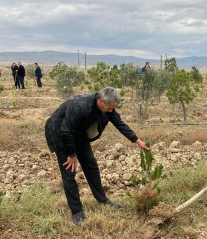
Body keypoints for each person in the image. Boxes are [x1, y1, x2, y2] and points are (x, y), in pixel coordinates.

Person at [45, 87, 150, 226]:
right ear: (101, 101)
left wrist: (137, 141)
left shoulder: (108, 107)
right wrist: (71, 154)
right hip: (60, 134)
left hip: (79, 134)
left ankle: (102, 199)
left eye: (114, 108)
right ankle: (77, 211)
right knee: (69, 174)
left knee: (92, 166)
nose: (112, 111)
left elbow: (119, 124)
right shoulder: (80, 105)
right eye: (110, 108)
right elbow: (66, 131)